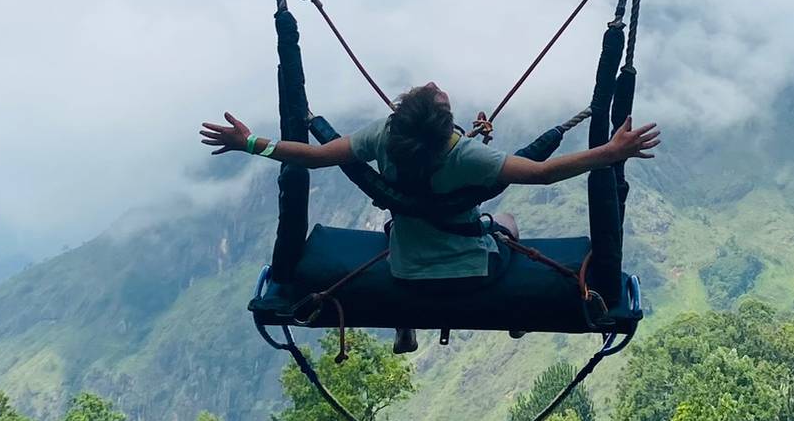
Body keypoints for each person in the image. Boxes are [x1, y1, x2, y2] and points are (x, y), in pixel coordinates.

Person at [201, 82, 659, 353]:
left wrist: (251, 143)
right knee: (508, 223)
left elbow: (314, 157)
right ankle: (517, 315)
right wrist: (611, 152)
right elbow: (541, 172)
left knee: (394, 226)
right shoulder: (466, 157)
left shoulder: (383, 137)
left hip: (406, 268)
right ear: (446, 130)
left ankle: (407, 321)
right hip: (472, 269)